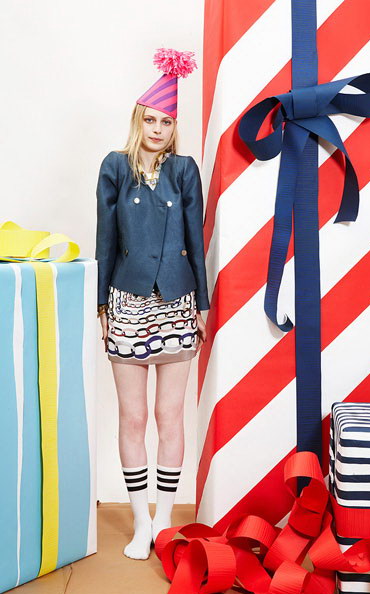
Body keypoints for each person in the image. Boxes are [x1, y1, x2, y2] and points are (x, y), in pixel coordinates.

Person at [95, 48, 210, 560]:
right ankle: (140, 521)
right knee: (134, 417)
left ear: (174, 125)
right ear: (138, 120)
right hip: (126, 302)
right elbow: (104, 240)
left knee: (170, 415)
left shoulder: (184, 171)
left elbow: (195, 239)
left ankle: (164, 519)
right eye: (151, 120)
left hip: (177, 303)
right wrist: (102, 307)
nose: (158, 129)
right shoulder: (115, 168)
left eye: (167, 121)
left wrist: (202, 303)